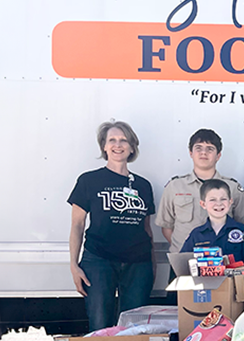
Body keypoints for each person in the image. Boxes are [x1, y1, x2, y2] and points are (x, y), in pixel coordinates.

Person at [68, 121, 155, 331]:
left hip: (138, 264)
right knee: (99, 325)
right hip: (99, 261)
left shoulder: (143, 185)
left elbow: (146, 229)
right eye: (112, 140)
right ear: (104, 147)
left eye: (124, 140)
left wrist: (152, 266)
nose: (118, 145)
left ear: (132, 147)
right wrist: (73, 265)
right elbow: (77, 225)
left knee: (134, 328)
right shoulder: (89, 180)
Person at [156, 129, 244, 253]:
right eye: (198, 148)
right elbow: (166, 227)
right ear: (191, 153)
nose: (203, 153)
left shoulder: (233, 188)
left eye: (210, 149)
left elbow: (243, 225)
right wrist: (185, 249)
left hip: (223, 264)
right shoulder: (175, 187)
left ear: (218, 155)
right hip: (184, 261)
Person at [180, 179, 244, 267]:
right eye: (212, 200)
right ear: (203, 204)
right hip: (204, 280)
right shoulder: (196, 234)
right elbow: (183, 264)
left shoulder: (241, 231)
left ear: (230, 202)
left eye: (223, 199)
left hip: (234, 280)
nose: (218, 204)